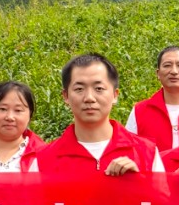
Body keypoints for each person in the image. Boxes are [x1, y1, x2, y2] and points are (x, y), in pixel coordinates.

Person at [32, 53, 164, 175]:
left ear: (115, 95)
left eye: (99, 89)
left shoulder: (146, 153)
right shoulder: (43, 160)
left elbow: (162, 194)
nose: (89, 98)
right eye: (79, 89)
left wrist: (140, 183)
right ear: (66, 96)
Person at [126, 45, 179, 152]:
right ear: (158, 74)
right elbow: (128, 152)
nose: (174, 71)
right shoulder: (140, 111)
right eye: (167, 65)